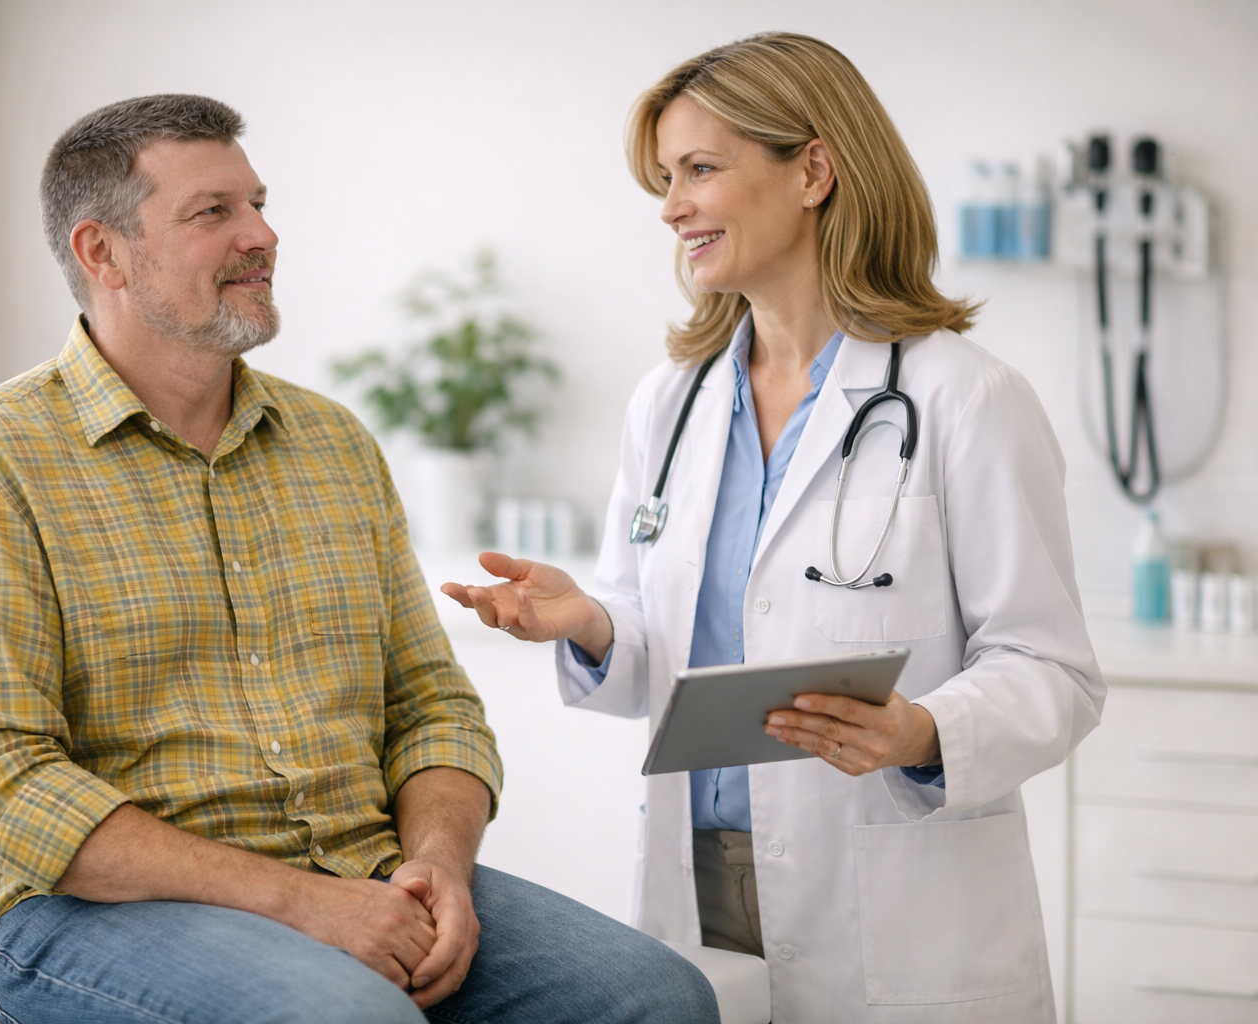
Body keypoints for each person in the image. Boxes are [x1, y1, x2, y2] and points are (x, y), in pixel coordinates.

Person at [0, 94, 718, 1024]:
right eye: (214, 213)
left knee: (658, 998)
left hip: (356, 867)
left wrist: (436, 869)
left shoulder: (332, 444)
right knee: (347, 1013)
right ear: (101, 253)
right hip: (70, 911)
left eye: (259, 204)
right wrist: (300, 903)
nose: (263, 235)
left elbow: (433, 706)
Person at [444, 34, 1105, 1024]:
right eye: (666, 178)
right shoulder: (668, 405)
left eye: (700, 169)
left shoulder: (966, 399)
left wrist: (924, 729)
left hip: (890, 886)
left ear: (813, 170)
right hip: (699, 877)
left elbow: (1052, 669)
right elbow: (659, 646)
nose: (671, 206)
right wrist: (588, 622)